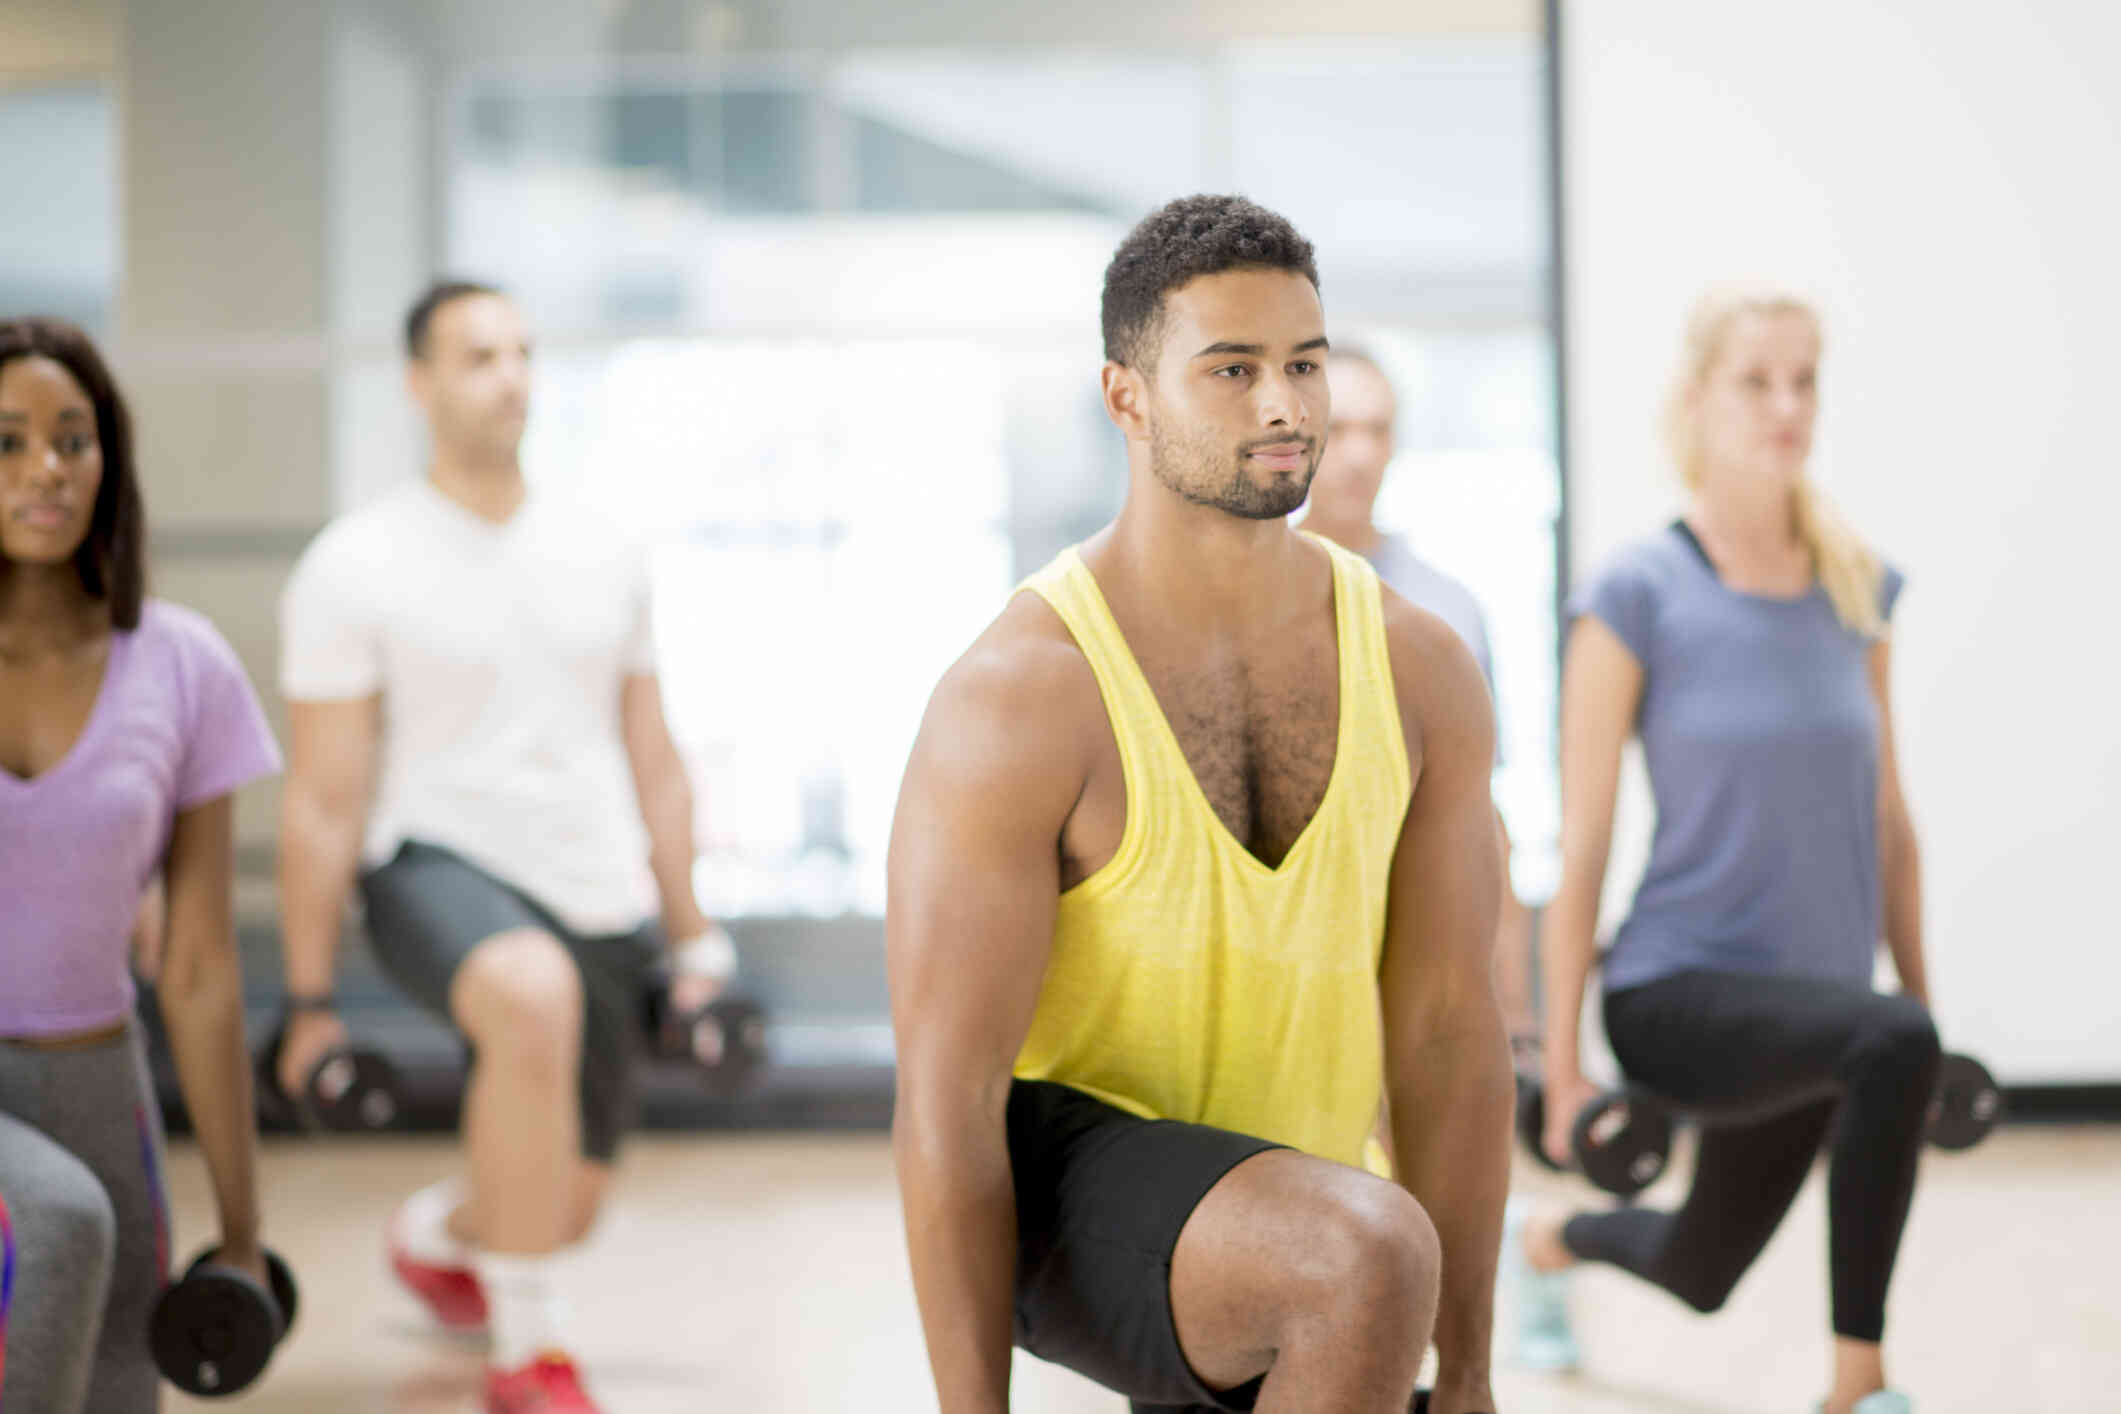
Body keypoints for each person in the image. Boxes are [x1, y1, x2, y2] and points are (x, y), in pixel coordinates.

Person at [888, 195, 1513, 1414]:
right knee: (1363, 1252)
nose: (1283, 407)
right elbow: (946, 1103)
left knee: (1354, 1243)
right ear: (1127, 396)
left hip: (1289, 1202)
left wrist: (1476, 1374)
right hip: (1062, 1191)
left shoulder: (1421, 667)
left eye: (1304, 366)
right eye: (1231, 370)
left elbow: (1447, 1033)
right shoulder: (1025, 693)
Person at [273, 281, 731, 1414]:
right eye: (478, 355)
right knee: (528, 996)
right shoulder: (356, 559)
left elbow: (654, 757)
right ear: (419, 384)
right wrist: (309, 997)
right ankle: (531, 1358)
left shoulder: (602, 548)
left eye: (523, 352)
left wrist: (692, 931)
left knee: (562, 1206)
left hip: (592, 887)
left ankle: (437, 1233)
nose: (511, 375)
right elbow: (325, 798)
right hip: (430, 863)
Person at [1513, 287, 1934, 1414]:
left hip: (1822, 1005)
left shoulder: (1857, 589)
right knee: (1890, 1040)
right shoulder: (1637, 592)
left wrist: (1923, 1017)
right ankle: (1864, 1386)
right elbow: (1587, 839)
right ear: (1696, 400)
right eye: (1756, 380)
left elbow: (1890, 818)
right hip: (1676, 991)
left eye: (1804, 381)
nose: (1786, 404)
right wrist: (1560, 1071)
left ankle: (1547, 1245)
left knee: (1701, 1271)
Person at [0, 316, 282, 1412]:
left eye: (73, 439)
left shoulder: (182, 664)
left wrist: (245, 1227)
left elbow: (203, 969)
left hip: (96, 1086)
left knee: (117, 1384)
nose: (46, 470)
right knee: (62, 1226)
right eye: (9, 441)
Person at [1300, 347, 1537, 1043]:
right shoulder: (1247, 600)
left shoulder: (1446, 611)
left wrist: (1514, 1001)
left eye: (1377, 431)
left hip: (1423, 955)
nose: (1358, 454)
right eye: (1339, 431)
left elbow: (1480, 810)